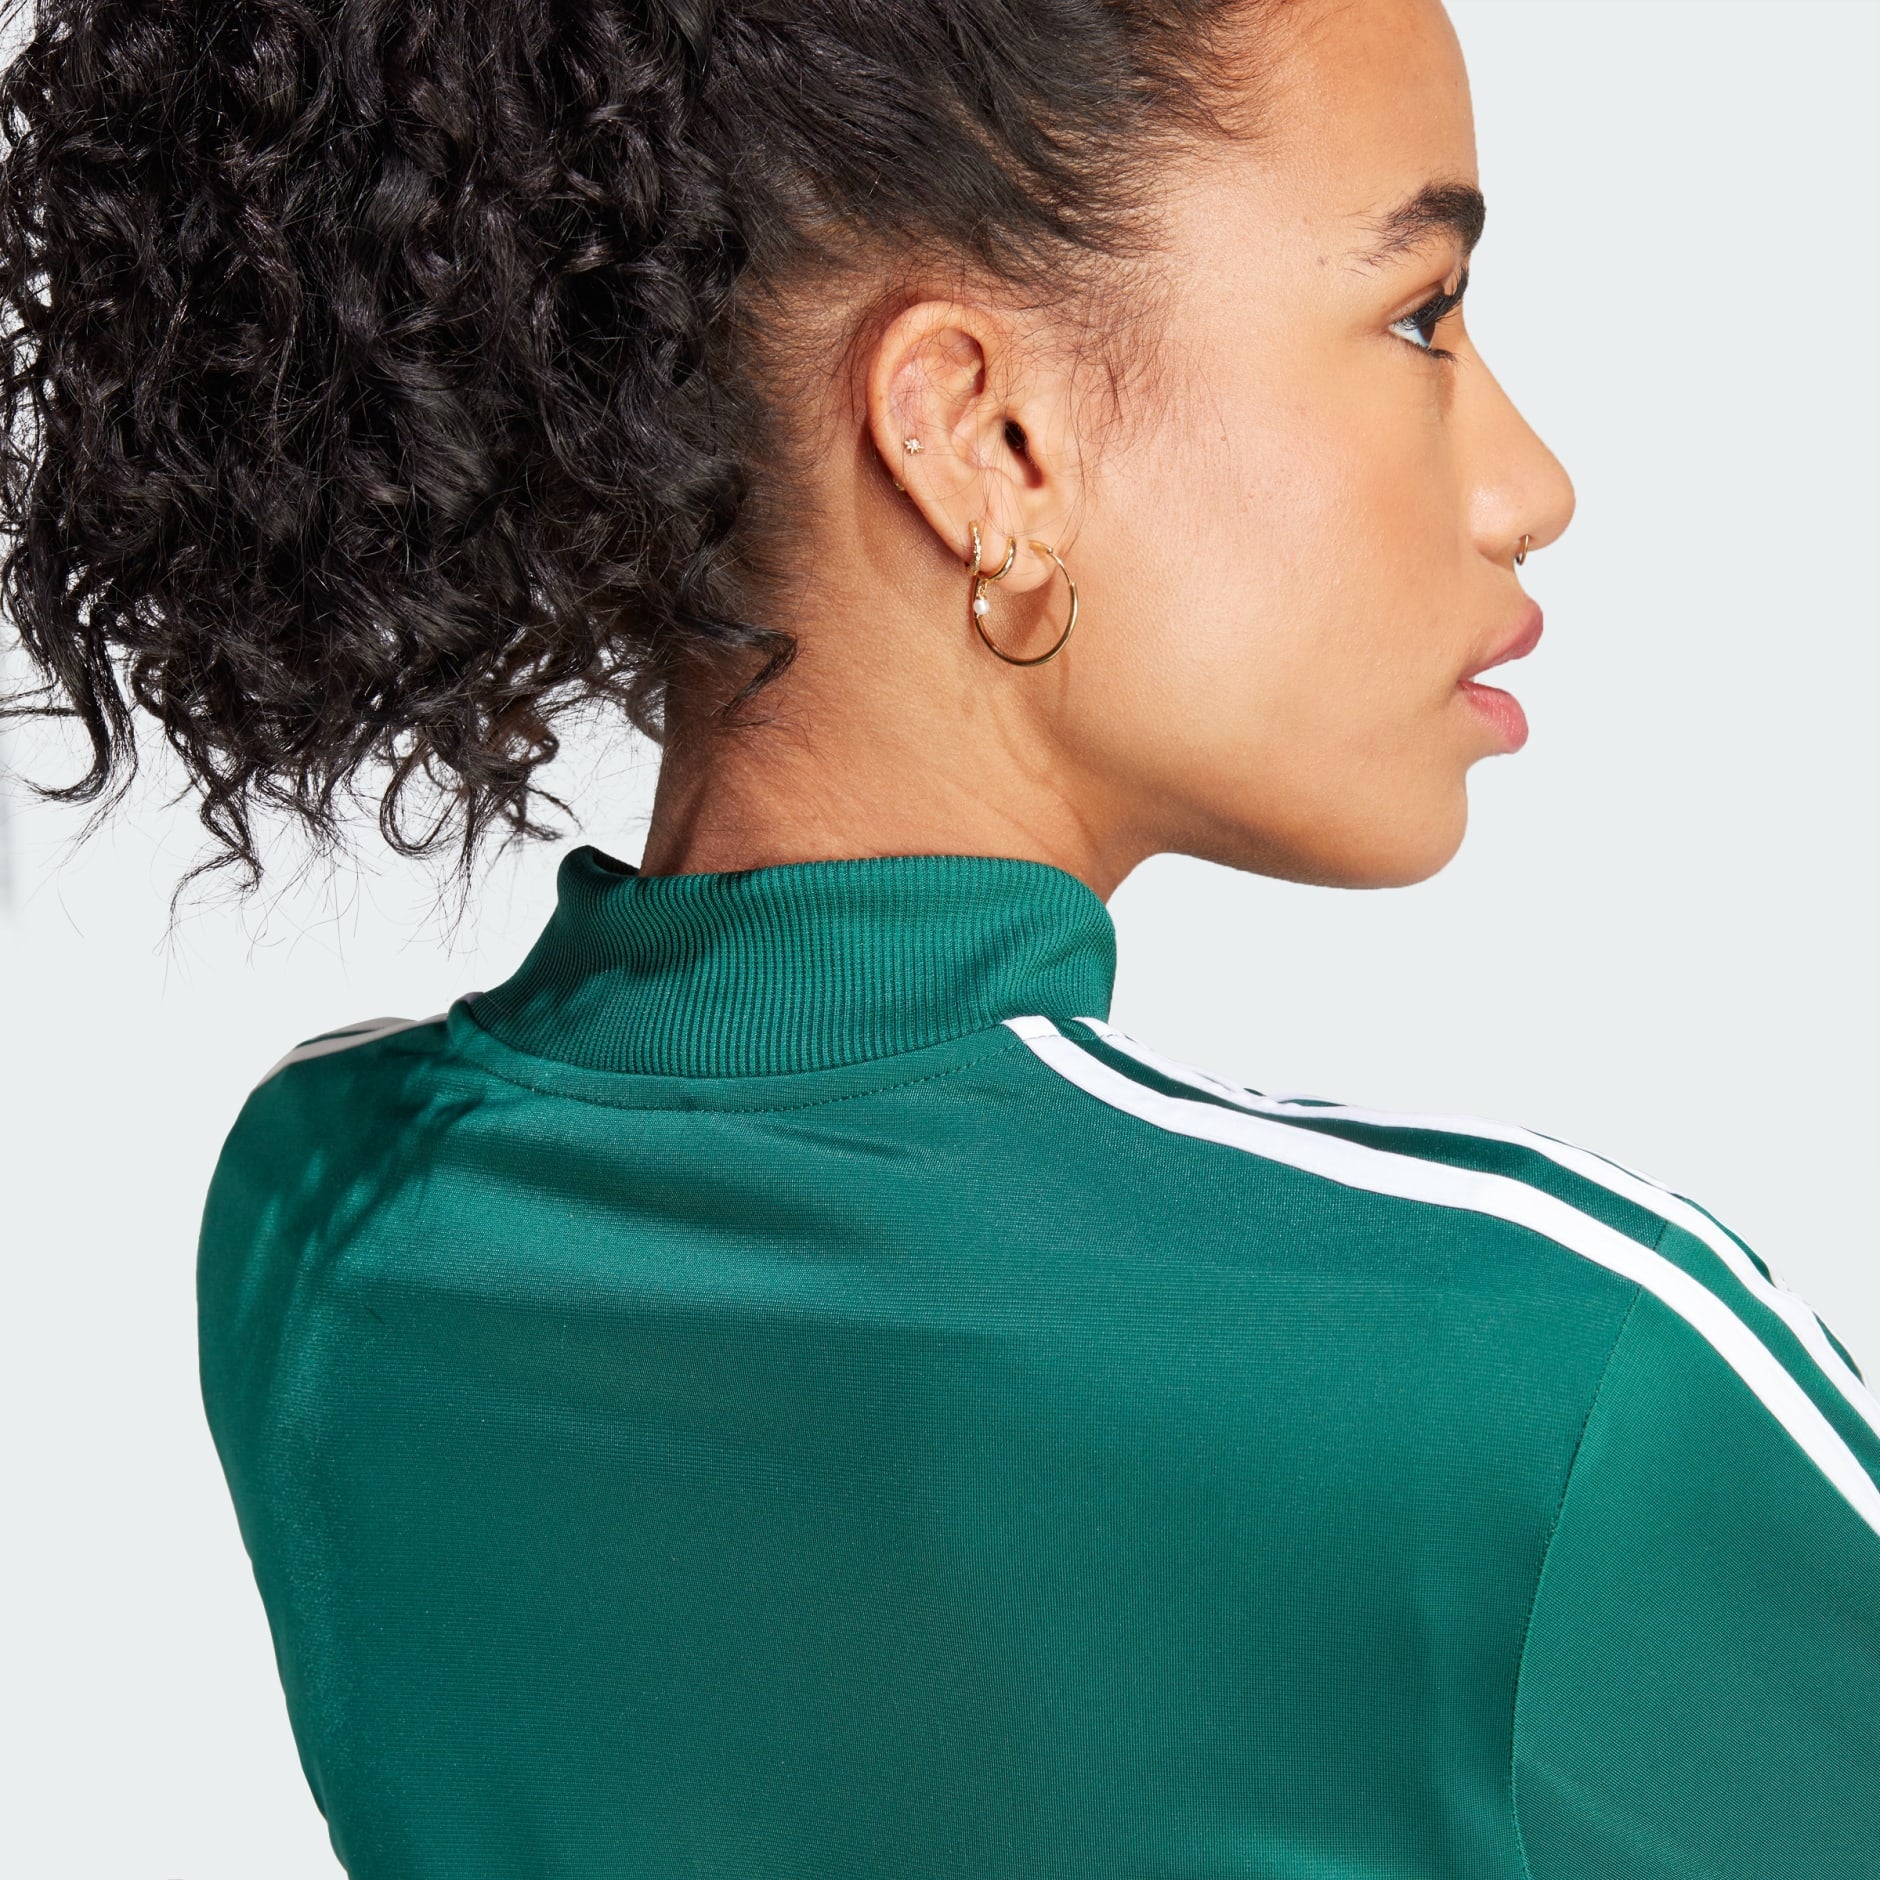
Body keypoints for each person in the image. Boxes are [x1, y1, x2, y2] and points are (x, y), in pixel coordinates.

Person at [2, 0, 1874, 1873]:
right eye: (1421, 317)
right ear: (988, 439)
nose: (1531, 485)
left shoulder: (327, 1224)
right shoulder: (1547, 1380)